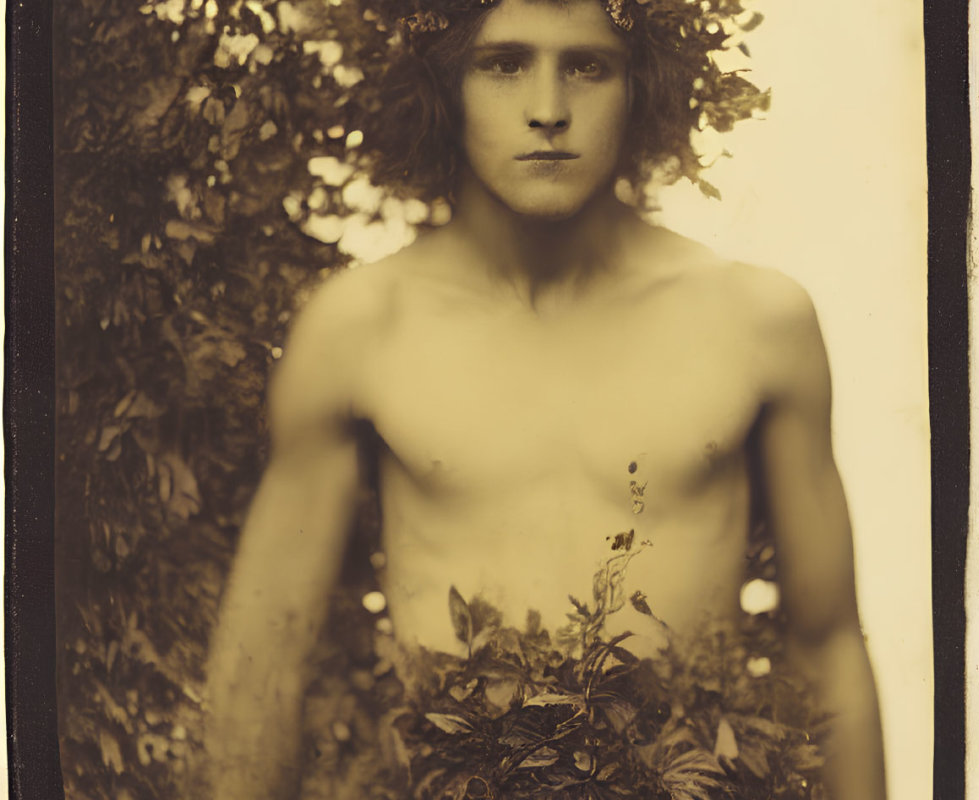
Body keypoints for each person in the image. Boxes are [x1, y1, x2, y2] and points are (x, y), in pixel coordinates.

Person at [204, 0, 885, 798]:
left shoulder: (755, 322)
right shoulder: (361, 330)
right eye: (503, 63)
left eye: (588, 65)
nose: (548, 110)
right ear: (444, 83)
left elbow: (829, 645)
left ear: (643, 85)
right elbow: (262, 661)